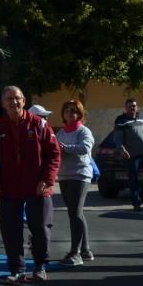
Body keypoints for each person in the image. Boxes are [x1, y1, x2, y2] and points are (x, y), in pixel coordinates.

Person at [0, 86, 61, 283]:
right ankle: (17, 269)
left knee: (40, 228)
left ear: (24, 100)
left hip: (37, 186)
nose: (13, 102)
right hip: (8, 187)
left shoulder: (40, 125)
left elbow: (54, 154)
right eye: (9, 99)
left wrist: (47, 180)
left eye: (17, 98)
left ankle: (40, 266)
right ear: (2, 103)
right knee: (11, 230)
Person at [55, 99, 95, 267]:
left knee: (76, 213)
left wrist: (65, 148)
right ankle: (85, 250)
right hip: (65, 176)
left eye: (74, 111)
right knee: (74, 212)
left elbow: (84, 148)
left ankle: (75, 253)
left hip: (80, 175)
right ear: (63, 114)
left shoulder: (84, 131)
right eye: (67, 111)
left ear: (79, 114)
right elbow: (54, 150)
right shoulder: (60, 133)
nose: (70, 114)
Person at [113, 99, 143, 210]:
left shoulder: (142, 116)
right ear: (125, 108)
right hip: (132, 155)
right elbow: (117, 138)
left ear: (137, 107)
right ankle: (136, 203)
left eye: (134, 106)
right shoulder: (121, 120)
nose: (132, 108)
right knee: (134, 179)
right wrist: (122, 150)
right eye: (129, 106)